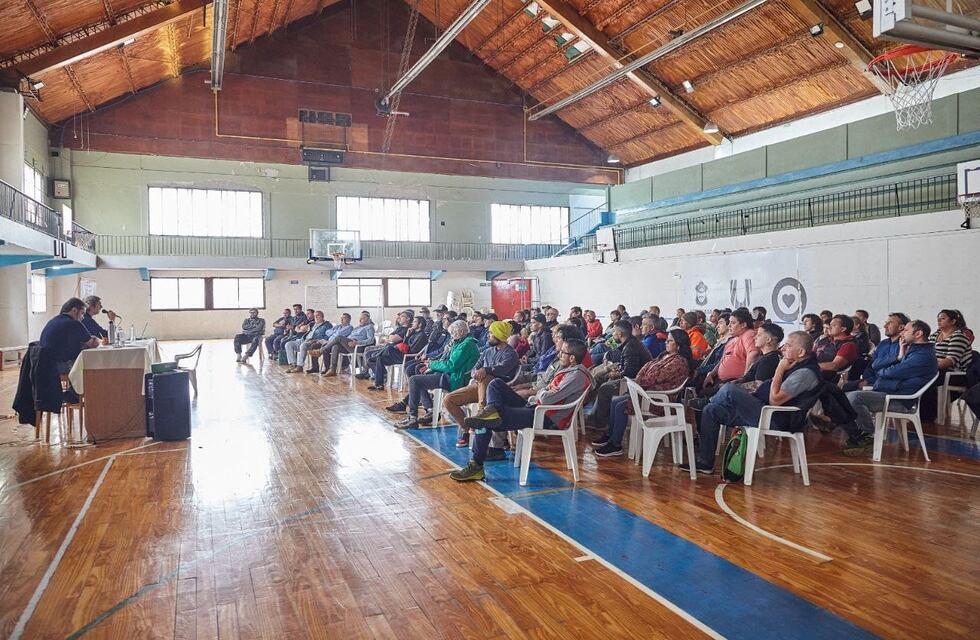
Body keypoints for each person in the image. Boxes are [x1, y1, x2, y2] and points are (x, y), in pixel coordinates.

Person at [450, 339, 593, 482]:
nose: (559, 354)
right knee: (495, 384)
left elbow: (547, 399)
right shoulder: (568, 370)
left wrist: (542, 391)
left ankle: (476, 465)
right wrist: (543, 391)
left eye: (563, 352)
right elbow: (547, 392)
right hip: (535, 407)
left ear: (572, 358)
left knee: (483, 421)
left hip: (545, 416)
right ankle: (491, 410)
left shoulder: (577, 376)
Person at [683, 331, 822, 474]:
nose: (783, 348)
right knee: (711, 410)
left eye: (788, 345)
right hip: (763, 410)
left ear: (801, 352)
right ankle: (705, 463)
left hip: (777, 418)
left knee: (729, 389)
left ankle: (708, 400)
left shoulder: (805, 373)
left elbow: (775, 400)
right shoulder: (794, 365)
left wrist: (779, 369)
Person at [839, 319, 938, 455]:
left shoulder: (922, 356)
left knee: (854, 397)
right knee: (846, 397)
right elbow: (876, 366)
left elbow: (889, 372)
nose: (903, 333)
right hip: (890, 392)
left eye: (906, 330)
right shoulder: (911, 350)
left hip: (899, 400)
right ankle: (862, 436)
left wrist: (885, 374)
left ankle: (868, 435)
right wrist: (898, 357)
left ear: (918, 333)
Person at [592, 329, 696, 457]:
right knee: (615, 400)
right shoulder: (665, 355)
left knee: (620, 406)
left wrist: (640, 380)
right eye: (666, 340)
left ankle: (616, 444)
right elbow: (646, 368)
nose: (666, 343)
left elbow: (655, 377)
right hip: (647, 392)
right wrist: (641, 378)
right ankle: (610, 436)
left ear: (679, 345)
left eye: (670, 341)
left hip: (657, 400)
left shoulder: (679, 362)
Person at [444, 321, 519, 448]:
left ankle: (482, 413)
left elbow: (503, 368)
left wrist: (485, 370)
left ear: (499, 335)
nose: (488, 335)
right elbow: (475, 368)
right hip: (479, 386)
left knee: (486, 377)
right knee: (448, 400)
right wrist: (476, 373)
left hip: (499, 390)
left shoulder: (511, 354)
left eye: (491, 333)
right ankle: (468, 428)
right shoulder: (488, 351)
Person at [394, 320, 480, 429]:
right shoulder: (460, 342)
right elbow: (446, 359)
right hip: (450, 375)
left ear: (460, 332)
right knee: (419, 374)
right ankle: (430, 410)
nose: (451, 335)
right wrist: (430, 365)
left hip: (455, 379)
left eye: (453, 333)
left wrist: (432, 364)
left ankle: (413, 417)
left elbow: (451, 366)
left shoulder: (466, 345)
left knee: (414, 380)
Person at [588, 320, 652, 433]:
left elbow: (630, 373)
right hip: (634, 378)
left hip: (635, 384)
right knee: (601, 377)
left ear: (620, 334)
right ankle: (595, 415)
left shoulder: (630, 347)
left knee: (604, 388)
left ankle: (600, 422)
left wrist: (616, 374)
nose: (612, 335)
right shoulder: (631, 343)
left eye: (614, 333)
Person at [920, 309, 974, 420]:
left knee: (928, 377)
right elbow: (924, 353)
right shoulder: (935, 335)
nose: (939, 321)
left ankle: (928, 415)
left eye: (943, 318)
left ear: (953, 321)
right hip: (935, 368)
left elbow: (949, 361)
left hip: (955, 374)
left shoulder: (959, 337)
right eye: (938, 319)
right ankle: (917, 411)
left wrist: (927, 365)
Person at [702, 308, 759, 391]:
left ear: (743, 325)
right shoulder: (733, 339)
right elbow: (723, 360)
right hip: (720, 380)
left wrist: (745, 379)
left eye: (733, 323)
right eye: (729, 323)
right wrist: (712, 373)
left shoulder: (748, 334)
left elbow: (753, 353)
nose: (729, 326)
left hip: (734, 383)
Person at [368, 315, 429, 391]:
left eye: (415, 321)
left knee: (389, 347)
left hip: (408, 357)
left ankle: (375, 356)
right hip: (401, 354)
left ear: (420, 324)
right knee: (380, 359)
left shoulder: (422, 335)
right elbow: (405, 344)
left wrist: (399, 347)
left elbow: (412, 350)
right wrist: (407, 336)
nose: (413, 323)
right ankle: (379, 385)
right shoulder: (412, 333)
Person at [39, 298, 100, 373]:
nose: (83, 317)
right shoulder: (73, 323)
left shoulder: (53, 321)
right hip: (59, 365)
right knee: (93, 365)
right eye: (82, 313)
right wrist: (93, 340)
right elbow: (94, 343)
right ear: (74, 310)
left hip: (44, 364)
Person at [322, 312, 374, 376]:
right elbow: (349, 336)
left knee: (339, 337)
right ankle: (332, 369)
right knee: (335, 346)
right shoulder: (357, 327)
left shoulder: (369, 327)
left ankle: (321, 350)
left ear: (368, 319)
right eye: (360, 318)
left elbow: (371, 340)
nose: (361, 319)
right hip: (349, 345)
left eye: (363, 318)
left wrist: (357, 342)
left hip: (358, 347)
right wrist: (345, 341)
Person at [738, 322, 783, 386]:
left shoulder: (767, 360)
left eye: (758, 335)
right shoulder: (771, 356)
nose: (754, 338)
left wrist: (733, 387)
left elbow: (759, 386)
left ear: (768, 339)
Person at [819, 314, 859, 379]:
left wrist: (811, 366)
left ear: (843, 329)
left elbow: (835, 366)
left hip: (827, 379)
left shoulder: (849, 345)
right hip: (811, 372)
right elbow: (809, 355)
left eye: (834, 325)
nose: (829, 327)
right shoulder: (823, 340)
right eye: (830, 324)